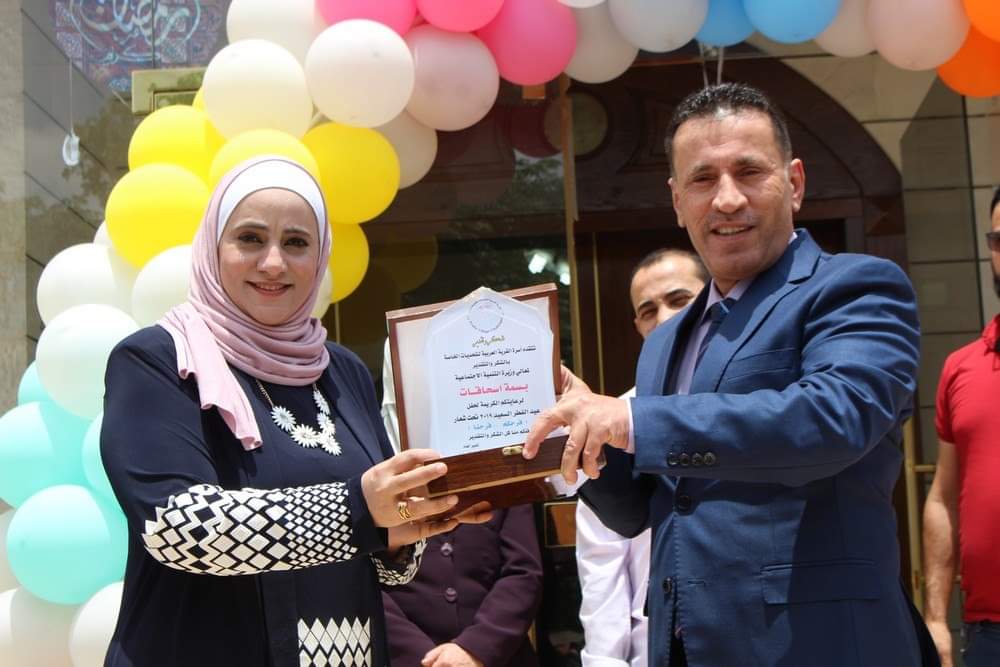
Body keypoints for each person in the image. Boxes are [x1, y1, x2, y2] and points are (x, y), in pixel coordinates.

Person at [523, 83, 935, 666]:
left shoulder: (856, 287)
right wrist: (577, 434)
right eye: (702, 179)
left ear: (794, 182)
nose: (727, 199)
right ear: (676, 200)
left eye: (749, 171)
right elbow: (640, 509)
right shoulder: (664, 343)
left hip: (819, 646)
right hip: (684, 647)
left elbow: (831, 418)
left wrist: (631, 419)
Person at [100, 156, 488, 667]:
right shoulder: (157, 360)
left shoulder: (341, 370)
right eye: (250, 238)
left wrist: (406, 526)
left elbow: (379, 550)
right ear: (212, 247)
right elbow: (178, 527)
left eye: (297, 242)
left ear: (320, 256)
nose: (273, 263)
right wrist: (359, 510)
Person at [576, 248, 706, 667]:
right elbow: (601, 566)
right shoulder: (611, 423)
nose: (664, 318)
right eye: (648, 311)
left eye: (679, 300)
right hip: (652, 648)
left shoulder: (755, 401)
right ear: (637, 325)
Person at [379, 342, 544, 667]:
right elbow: (361, 582)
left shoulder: (499, 457)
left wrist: (474, 650)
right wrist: (429, 661)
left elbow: (524, 570)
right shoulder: (371, 466)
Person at [923, 186, 1000, 667]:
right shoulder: (961, 367)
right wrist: (936, 619)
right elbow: (943, 498)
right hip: (989, 634)